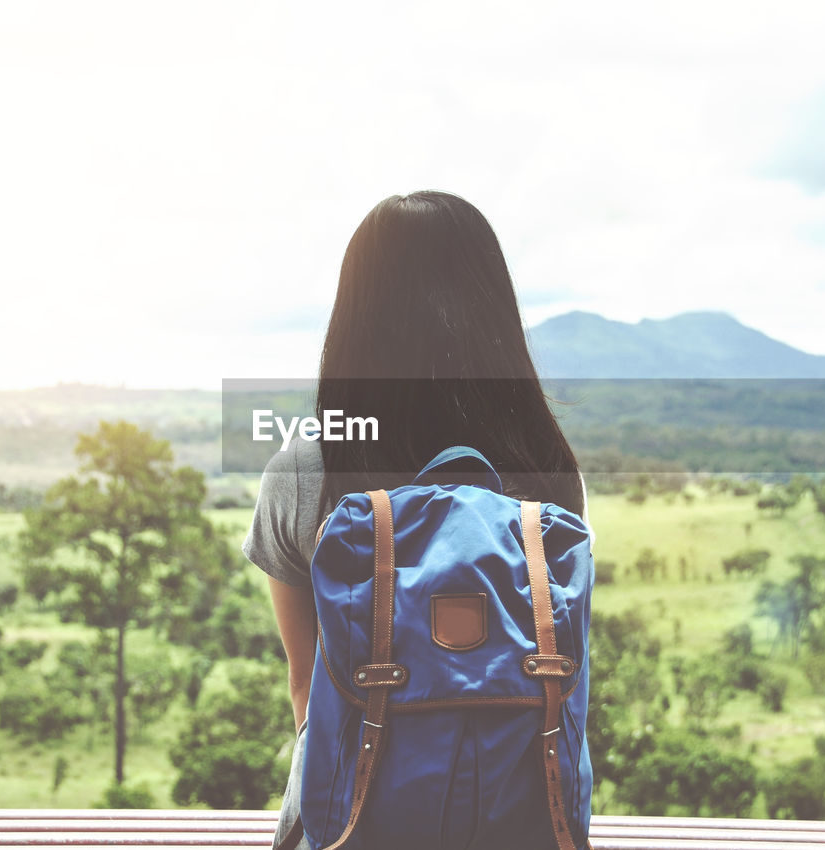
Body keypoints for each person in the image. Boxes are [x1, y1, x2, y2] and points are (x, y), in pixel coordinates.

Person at [242, 190, 589, 849]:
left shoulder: (303, 471)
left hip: (351, 823)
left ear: (355, 318)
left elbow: (305, 690)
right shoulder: (543, 469)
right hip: (517, 820)